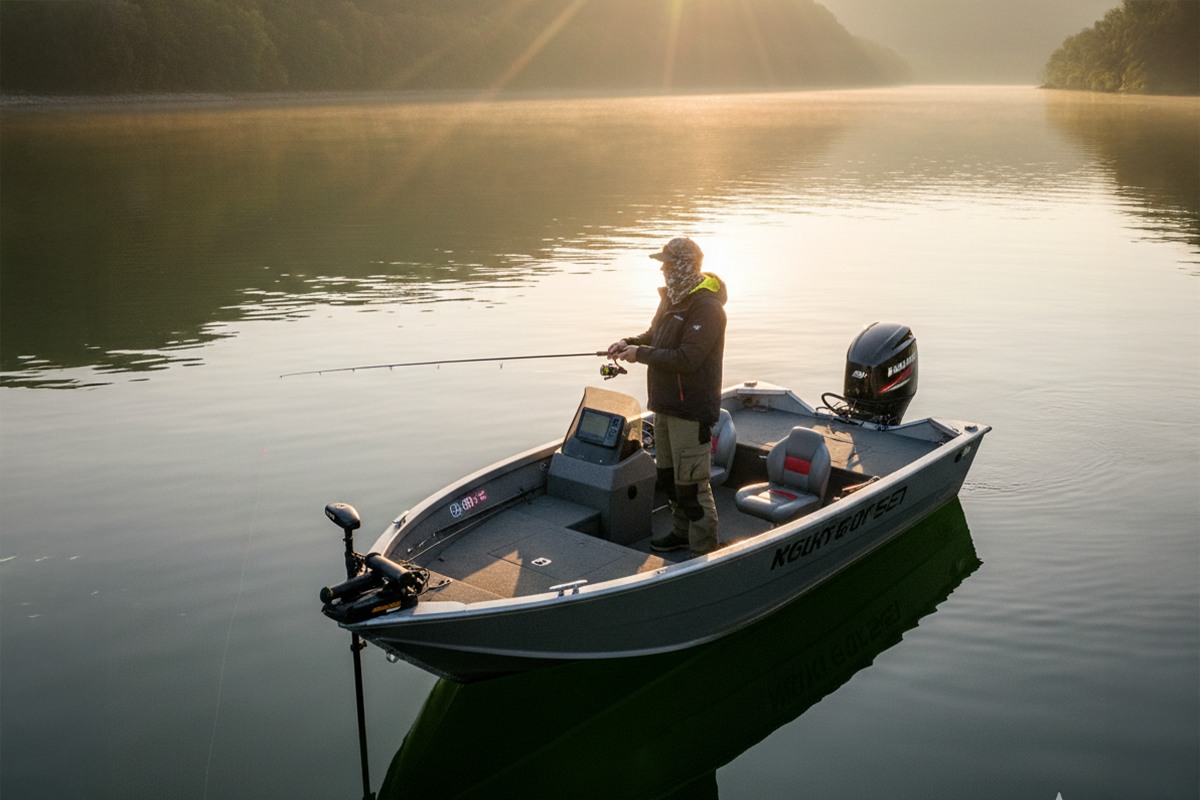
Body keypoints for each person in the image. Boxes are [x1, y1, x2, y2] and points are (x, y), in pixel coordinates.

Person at [608, 237, 728, 557]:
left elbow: (687, 359)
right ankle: (680, 533)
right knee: (669, 478)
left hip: (691, 412)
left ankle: (704, 551)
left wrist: (641, 354)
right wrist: (627, 343)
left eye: (668, 263)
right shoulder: (672, 299)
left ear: (685, 266)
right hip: (664, 406)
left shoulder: (707, 307)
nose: (662, 269)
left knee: (692, 487)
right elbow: (653, 336)